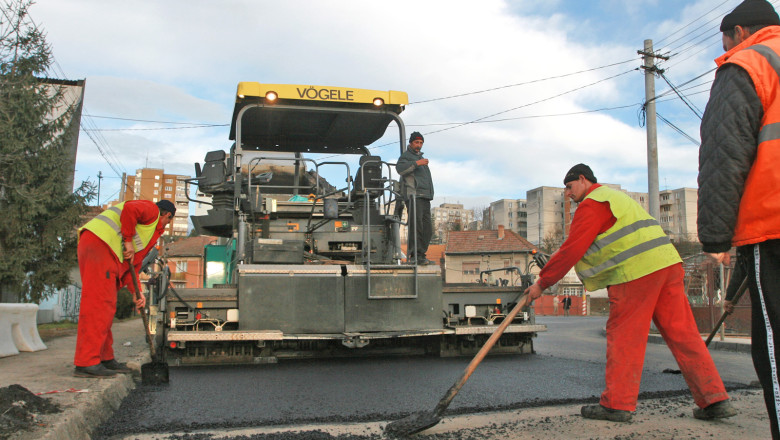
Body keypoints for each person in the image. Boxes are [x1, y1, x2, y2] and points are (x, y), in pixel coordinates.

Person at [524, 164, 735, 422]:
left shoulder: (593, 203)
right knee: (684, 335)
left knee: (624, 336)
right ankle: (715, 400)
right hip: (668, 265)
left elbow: (572, 249)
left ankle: (617, 404)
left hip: (636, 273)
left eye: (569, 187)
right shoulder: (618, 199)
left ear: (583, 179)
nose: (568, 193)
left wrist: (541, 284)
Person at [698, 0, 780, 436]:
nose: (725, 47)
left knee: (776, 351)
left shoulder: (748, 63)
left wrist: (714, 241)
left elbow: (723, 153)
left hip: (773, 228)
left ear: (740, 32)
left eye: (724, 39)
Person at [73, 199, 175, 378]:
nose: (166, 225)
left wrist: (137, 293)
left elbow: (133, 265)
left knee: (107, 307)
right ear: (167, 215)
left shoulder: (149, 232)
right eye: (168, 221)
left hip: (105, 250)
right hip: (100, 245)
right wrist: (127, 241)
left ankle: (105, 358)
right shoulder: (151, 210)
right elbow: (130, 208)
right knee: (98, 305)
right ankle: (87, 362)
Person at [396, 131, 434, 265]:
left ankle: (421, 254)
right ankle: (414, 255)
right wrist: (417, 163)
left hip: (425, 197)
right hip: (414, 196)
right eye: (417, 142)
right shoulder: (406, 157)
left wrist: (430, 194)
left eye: (421, 143)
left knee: (428, 228)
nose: (419, 145)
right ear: (411, 143)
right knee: (416, 226)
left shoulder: (421, 159)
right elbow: (400, 169)